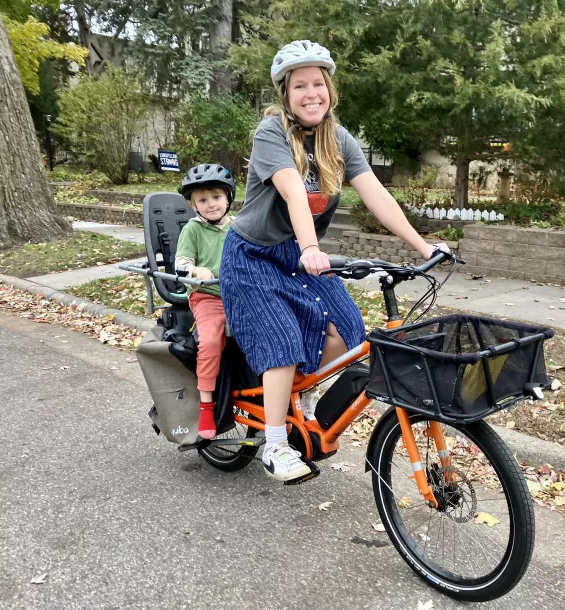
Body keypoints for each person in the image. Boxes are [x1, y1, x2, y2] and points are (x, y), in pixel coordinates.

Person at [220, 40, 447, 482]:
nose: (311, 93)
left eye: (318, 84)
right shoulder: (272, 132)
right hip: (253, 255)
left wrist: (424, 248)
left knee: (349, 330)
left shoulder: (338, 138)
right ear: (285, 93)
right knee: (282, 341)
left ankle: (295, 399)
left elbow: (376, 194)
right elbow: (292, 191)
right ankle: (275, 444)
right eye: (300, 85)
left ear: (330, 89)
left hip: (303, 257)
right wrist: (309, 247)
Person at [176, 163, 236, 440]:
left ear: (228, 199)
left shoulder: (237, 228)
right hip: (208, 296)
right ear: (194, 205)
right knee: (210, 341)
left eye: (216, 197)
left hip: (239, 297)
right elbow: (182, 263)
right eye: (202, 200)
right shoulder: (193, 229)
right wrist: (195, 270)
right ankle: (206, 405)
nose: (210, 204)